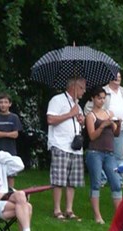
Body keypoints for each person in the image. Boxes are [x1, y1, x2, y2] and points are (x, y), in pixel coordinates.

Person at [46, 77, 86, 221]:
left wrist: (81, 122)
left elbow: (78, 123)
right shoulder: (57, 100)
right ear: (74, 87)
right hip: (60, 144)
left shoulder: (78, 105)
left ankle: (69, 209)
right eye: (82, 87)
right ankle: (57, 210)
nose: (84, 90)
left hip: (75, 147)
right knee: (59, 179)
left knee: (72, 180)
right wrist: (70, 114)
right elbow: (50, 120)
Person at [84, 71, 123, 187]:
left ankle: (119, 181)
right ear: (110, 79)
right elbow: (88, 107)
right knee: (101, 154)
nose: (118, 79)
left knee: (120, 155)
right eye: (115, 77)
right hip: (104, 127)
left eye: (120, 77)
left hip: (118, 127)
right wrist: (93, 120)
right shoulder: (104, 91)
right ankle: (102, 179)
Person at [84, 86, 122, 224]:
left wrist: (115, 125)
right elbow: (92, 136)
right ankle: (97, 216)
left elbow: (116, 134)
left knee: (116, 183)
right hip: (95, 153)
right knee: (96, 183)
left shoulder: (109, 113)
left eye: (103, 98)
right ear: (93, 99)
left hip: (110, 153)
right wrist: (102, 125)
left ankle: (119, 215)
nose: (101, 101)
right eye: (99, 98)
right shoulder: (90, 116)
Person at [0, 92, 23, 188]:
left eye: (5, 102)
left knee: (11, 173)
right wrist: (8, 133)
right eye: (1, 102)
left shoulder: (14, 117)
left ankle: (10, 190)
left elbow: (15, 134)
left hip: (10, 149)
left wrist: (0, 133)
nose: (3, 105)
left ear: (10, 104)